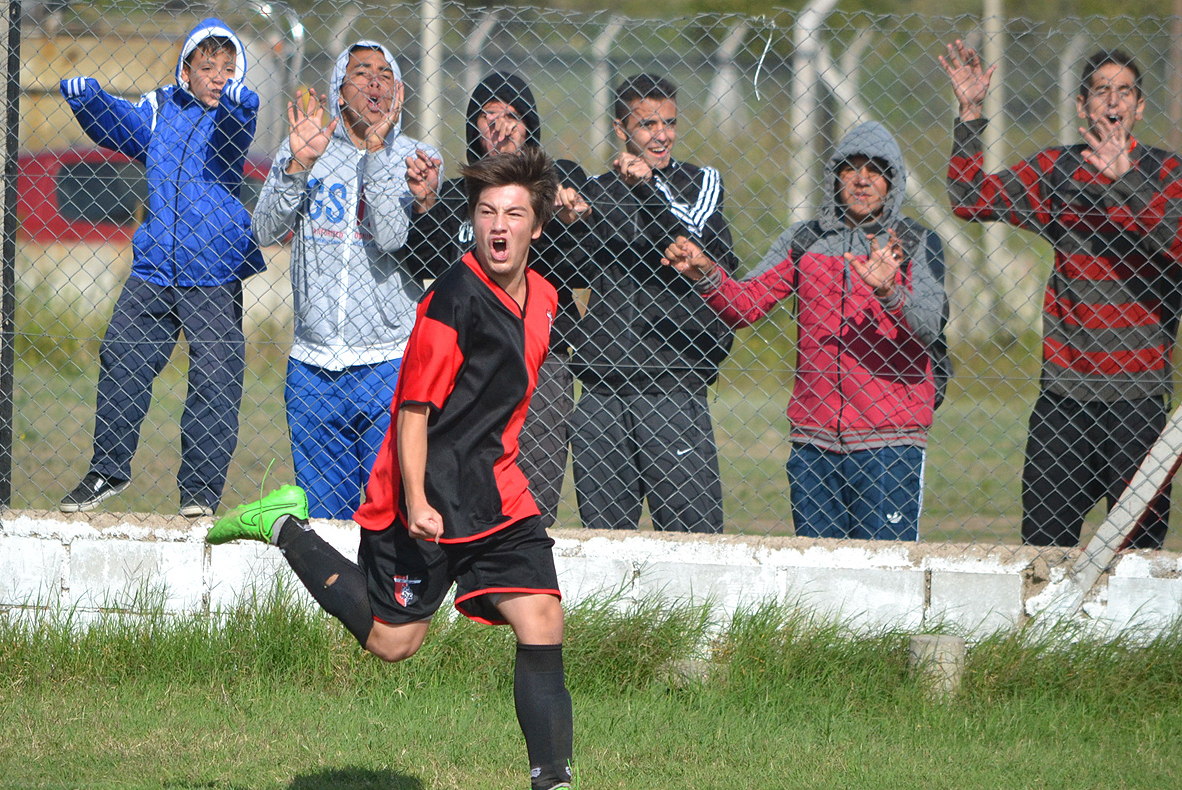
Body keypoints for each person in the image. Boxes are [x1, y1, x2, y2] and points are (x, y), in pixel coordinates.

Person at [207, 148, 623, 790]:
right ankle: (283, 525)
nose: (498, 224)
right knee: (394, 642)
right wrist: (419, 500)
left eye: (514, 213)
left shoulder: (545, 297)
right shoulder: (452, 299)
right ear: (474, 222)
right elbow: (412, 410)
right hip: (421, 491)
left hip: (497, 492)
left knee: (543, 617)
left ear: (536, 227)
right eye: (487, 211)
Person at [941, 42, 1182, 548]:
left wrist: (1129, 182)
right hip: (1065, 395)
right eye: (1100, 92)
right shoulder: (1058, 171)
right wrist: (969, 115)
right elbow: (969, 200)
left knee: (1138, 554)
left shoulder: (1166, 174)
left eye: (1124, 92)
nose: (1112, 102)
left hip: (1138, 400)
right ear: (1081, 106)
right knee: (1044, 546)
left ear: (1139, 107)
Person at [665, 122, 949, 541]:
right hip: (814, 441)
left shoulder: (915, 241)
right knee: (817, 581)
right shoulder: (805, 239)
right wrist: (706, 273)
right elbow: (747, 304)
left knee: (888, 578)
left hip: (889, 441)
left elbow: (929, 325)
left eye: (875, 169)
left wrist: (889, 289)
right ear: (835, 178)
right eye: (850, 169)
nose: (862, 178)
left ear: (893, 180)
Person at [58, 19, 265, 517]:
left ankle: (199, 491)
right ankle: (107, 470)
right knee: (122, 358)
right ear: (186, 71)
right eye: (208, 66)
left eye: (228, 68)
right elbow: (122, 129)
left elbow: (235, 139)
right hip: (154, 267)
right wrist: (89, 102)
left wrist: (242, 105)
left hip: (212, 271)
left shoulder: (230, 117)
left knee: (215, 378)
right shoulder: (160, 108)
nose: (218, 77)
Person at [252, 40, 438, 520]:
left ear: (399, 92)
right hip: (313, 364)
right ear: (338, 90)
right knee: (325, 520)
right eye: (360, 72)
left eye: (384, 73)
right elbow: (264, 230)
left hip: (387, 361)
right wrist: (298, 165)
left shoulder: (416, 158)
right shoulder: (306, 147)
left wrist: (377, 154)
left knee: (388, 514)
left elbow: (395, 236)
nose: (374, 81)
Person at [399, 71, 590, 526]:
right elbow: (424, 262)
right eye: (489, 117)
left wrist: (566, 219)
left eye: (513, 117)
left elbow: (579, 270)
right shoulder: (458, 196)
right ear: (473, 129)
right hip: (465, 362)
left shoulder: (555, 185)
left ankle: (525, 556)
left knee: (533, 484)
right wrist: (425, 207)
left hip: (534, 361)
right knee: (462, 474)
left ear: (530, 129)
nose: (502, 127)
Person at [568, 73, 736, 534]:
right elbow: (572, 267)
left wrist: (646, 188)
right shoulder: (599, 189)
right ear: (622, 130)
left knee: (691, 531)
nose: (660, 134)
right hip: (602, 381)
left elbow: (690, 235)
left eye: (669, 123)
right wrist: (571, 219)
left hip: (672, 381)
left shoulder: (700, 182)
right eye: (646, 125)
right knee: (603, 532)